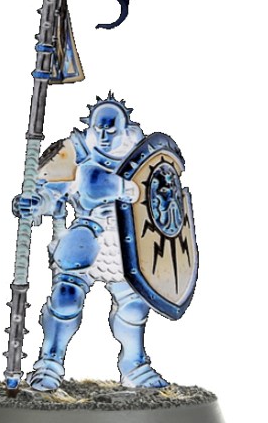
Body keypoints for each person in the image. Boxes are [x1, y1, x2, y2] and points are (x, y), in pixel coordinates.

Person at [13, 94, 169, 391]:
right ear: (91, 126)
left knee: (134, 305)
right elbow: (51, 194)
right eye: (100, 129)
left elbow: (162, 202)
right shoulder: (76, 152)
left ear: (124, 128)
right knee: (66, 297)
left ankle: (135, 365)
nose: (106, 136)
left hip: (129, 240)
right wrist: (34, 203)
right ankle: (49, 363)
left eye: (112, 129)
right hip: (87, 232)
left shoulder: (142, 157)